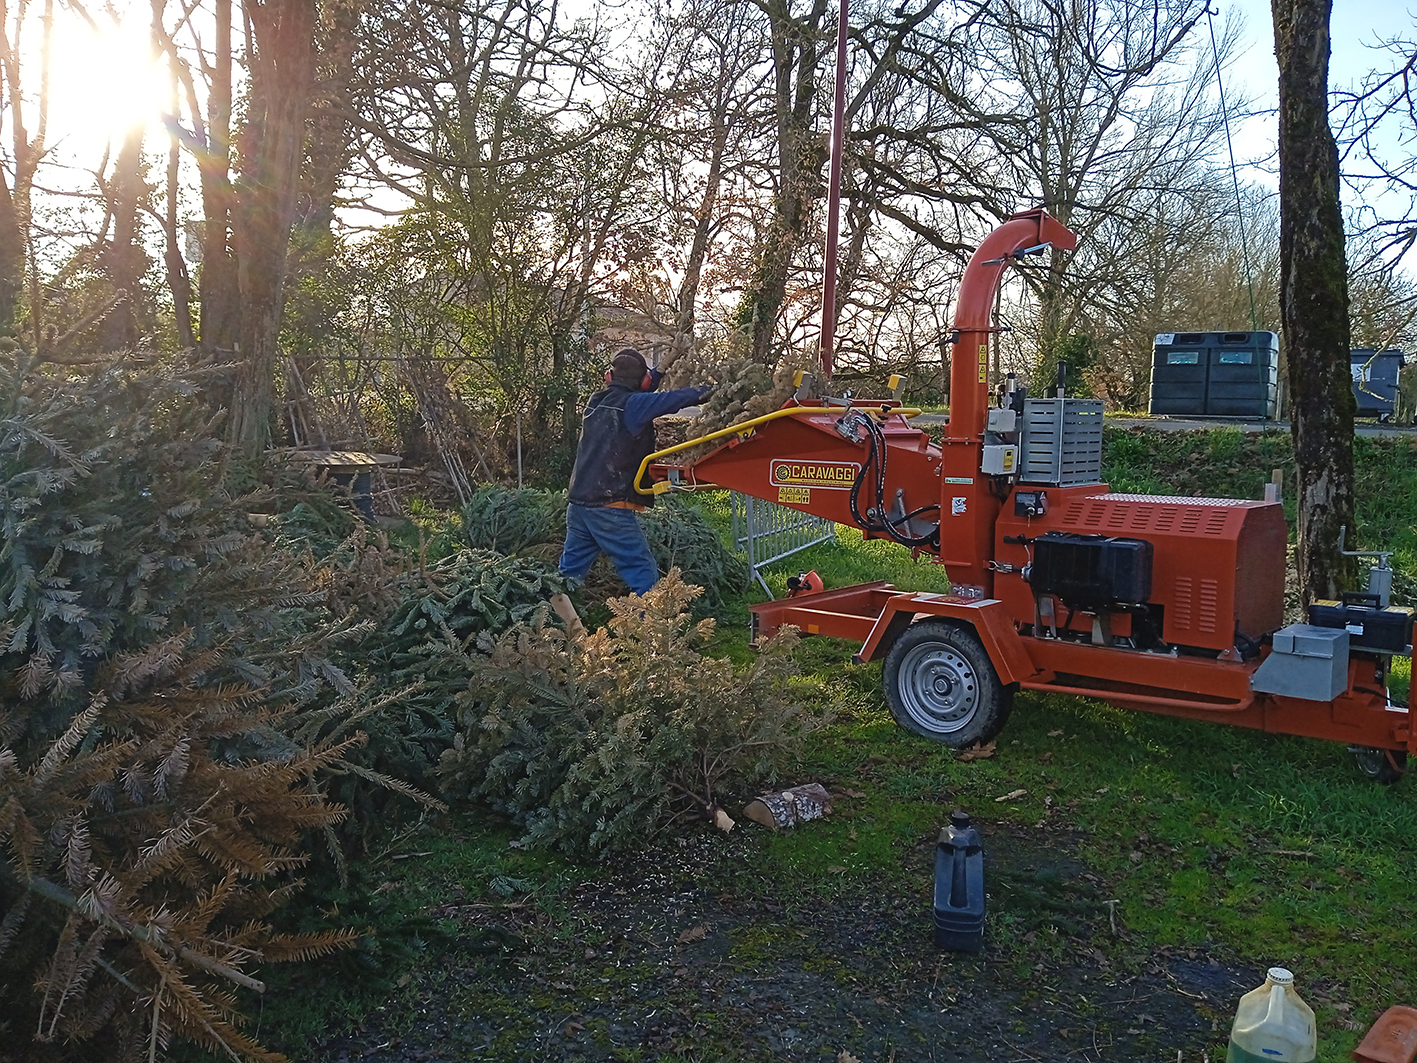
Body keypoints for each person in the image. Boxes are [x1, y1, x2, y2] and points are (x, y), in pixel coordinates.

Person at [555, 348, 710, 600]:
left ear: (608, 377)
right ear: (644, 381)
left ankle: (549, 627)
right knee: (644, 576)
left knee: (568, 576)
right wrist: (713, 390)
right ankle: (646, 634)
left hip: (580, 504)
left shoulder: (595, 401)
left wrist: (658, 372)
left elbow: (640, 396)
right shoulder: (635, 405)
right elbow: (673, 399)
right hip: (609, 505)